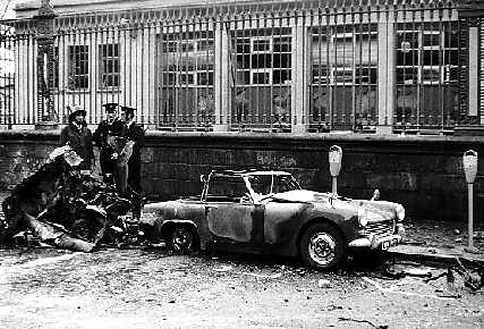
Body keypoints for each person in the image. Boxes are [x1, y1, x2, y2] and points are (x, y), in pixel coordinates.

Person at [119, 106, 145, 218]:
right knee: (124, 186)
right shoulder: (122, 128)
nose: (121, 117)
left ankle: (136, 212)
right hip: (123, 163)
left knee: (134, 186)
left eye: (123, 115)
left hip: (133, 163)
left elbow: (139, 144)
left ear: (129, 116)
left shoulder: (137, 129)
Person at [59, 105, 94, 171]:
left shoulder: (87, 131)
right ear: (73, 117)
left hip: (85, 163)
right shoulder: (66, 130)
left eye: (82, 115)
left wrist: (92, 163)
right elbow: (62, 148)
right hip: (71, 164)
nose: (81, 117)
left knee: (85, 180)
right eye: (78, 115)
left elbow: (90, 148)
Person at [93, 103, 119, 184]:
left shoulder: (120, 124)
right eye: (109, 112)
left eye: (113, 112)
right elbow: (96, 136)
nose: (111, 115)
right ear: (106, 113)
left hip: (115, 154)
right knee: (106, 174)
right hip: (104, 153)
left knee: (116, 175)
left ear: (116, 113)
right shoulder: (103, 124)